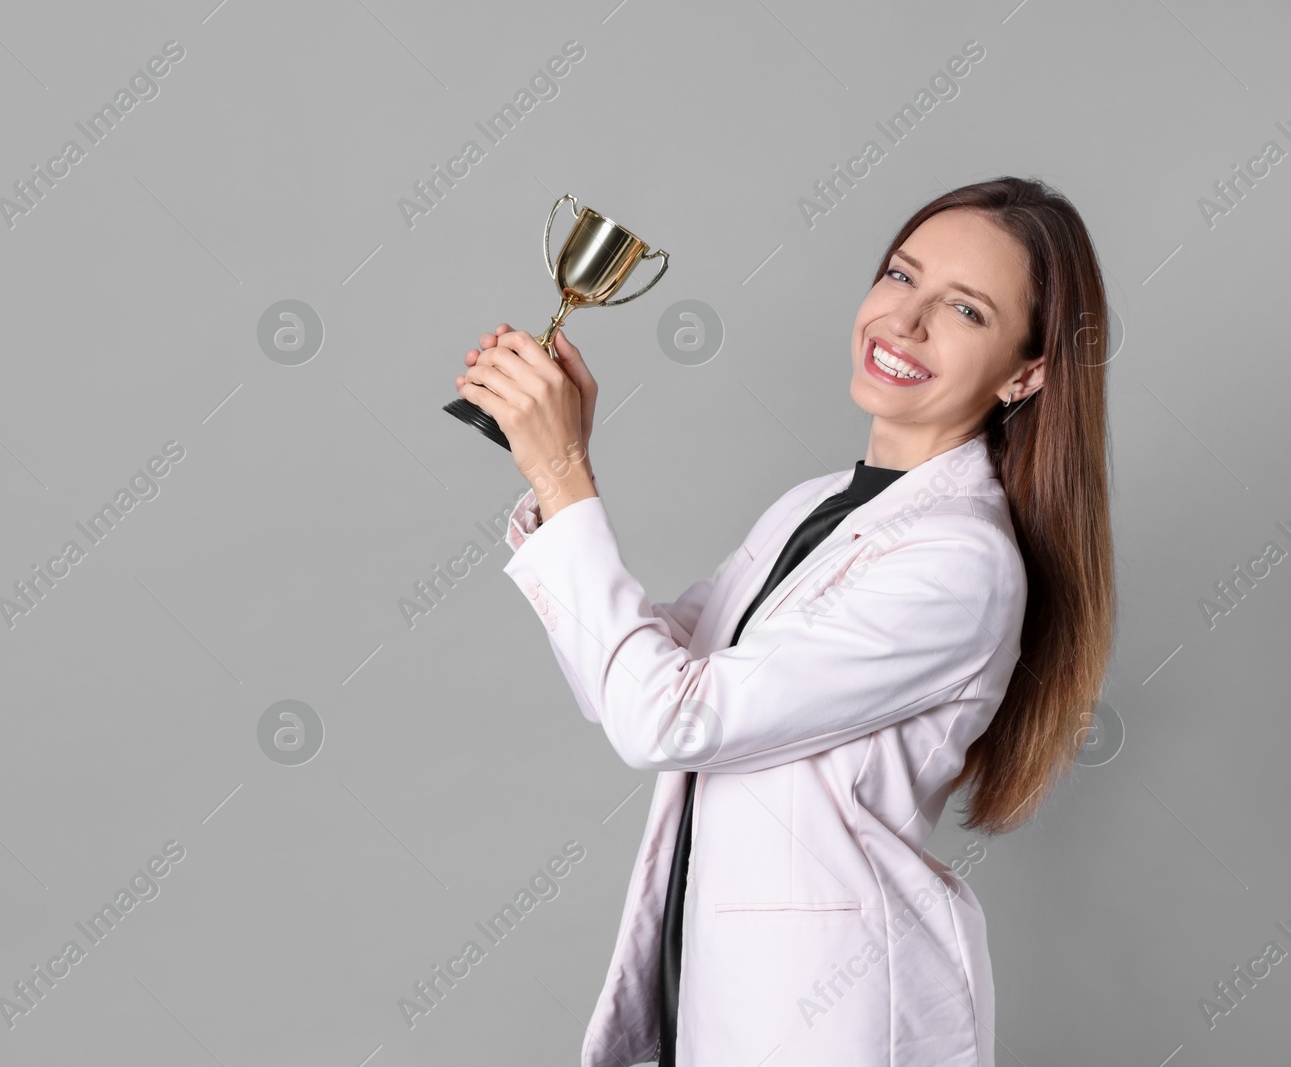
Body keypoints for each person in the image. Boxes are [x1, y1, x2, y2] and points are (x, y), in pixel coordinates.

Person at [453, 176, 1115, 1066]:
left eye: (964, 309)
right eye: (899, 275)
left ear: (1026, 372)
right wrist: (551, 474)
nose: (905, 321)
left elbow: (665, 718)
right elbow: (630, 679)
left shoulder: (963, 562)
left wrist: (568, 470)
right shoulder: (819, 504)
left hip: (830, 1014)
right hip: (718, 996)